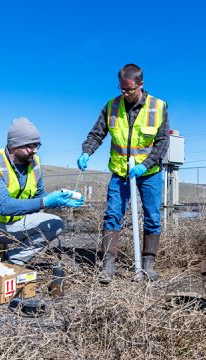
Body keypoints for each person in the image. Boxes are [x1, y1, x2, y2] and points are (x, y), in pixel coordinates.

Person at [78, 64, 169, 283]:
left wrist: (145, 164)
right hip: (120, 172)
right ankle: (108, 266)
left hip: (149, 173)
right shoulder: (111, 106)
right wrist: (86, 151)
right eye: (121, 89)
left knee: (153, 217)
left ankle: (148, 265)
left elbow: (163, 142)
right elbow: (97, 133)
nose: (125, 93)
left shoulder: (157, 107)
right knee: (112, 214)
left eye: (129, 89)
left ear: (140, 85)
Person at [0, 117, 83, 270]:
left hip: (13, 222)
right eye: (30, 146)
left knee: (56, 224)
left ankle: (13, 263)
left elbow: (39, 198)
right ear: (15, 145)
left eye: (38, 145)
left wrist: (59, 200)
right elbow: (4, 206)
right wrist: (46, 201)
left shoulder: (34, 162)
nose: (35, 150)